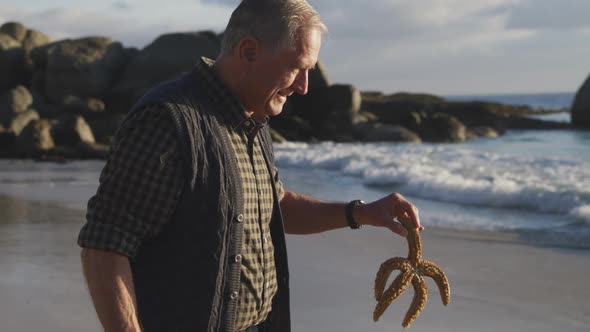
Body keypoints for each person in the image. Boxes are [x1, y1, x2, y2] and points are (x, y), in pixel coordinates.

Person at [77, 0, 423, 331]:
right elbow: (105, 245)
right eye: (297, 68)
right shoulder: (168, 121)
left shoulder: (252, 119)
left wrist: (359, 213)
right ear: (249, 52)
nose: (303, 87)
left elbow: (273, 205)